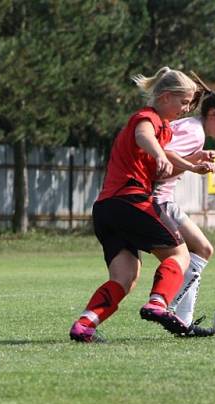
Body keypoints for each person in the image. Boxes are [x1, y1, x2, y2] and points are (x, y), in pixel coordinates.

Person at [69, 67, 202, 342]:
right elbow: (145, 136)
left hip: (106, 209)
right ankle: (158, 303)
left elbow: (164, 152)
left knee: (124, 276)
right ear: (165, 97)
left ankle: (84, 326)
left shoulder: (162, 129)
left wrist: (192, 164)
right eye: (185, 101)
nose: (187, 108)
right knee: (180, 255)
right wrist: (159, 154)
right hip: (130, 200)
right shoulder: (147, 117)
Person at [155, 83, 215, 337]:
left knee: (196, 252)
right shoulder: (195, 132)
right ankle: (171, 312)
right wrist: (194, 166)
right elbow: (163, 157)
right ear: (213, 114)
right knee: (202, 249)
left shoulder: (190, 127)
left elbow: (167, 153)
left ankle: (182, 320)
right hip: (157, 199)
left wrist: (195, 159)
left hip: (159, 199)